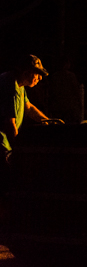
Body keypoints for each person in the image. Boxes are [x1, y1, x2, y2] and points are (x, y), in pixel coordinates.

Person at [0, 55, 50, 193]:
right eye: (38, 74)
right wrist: (19, 151)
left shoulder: (19, 85)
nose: (40, 78)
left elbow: (28, 107)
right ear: (26, 72)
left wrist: (47, 121)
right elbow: (10, 124)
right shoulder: (9, 86)